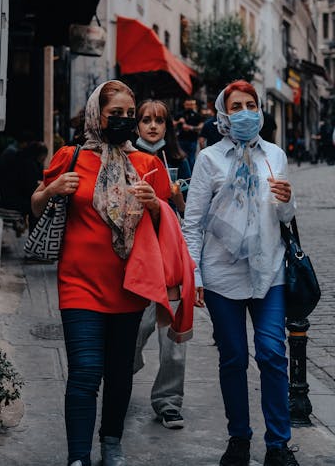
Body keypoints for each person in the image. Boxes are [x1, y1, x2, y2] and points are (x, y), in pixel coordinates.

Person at [30, 80, 195, 466]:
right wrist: (52, 189)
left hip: (128, 286)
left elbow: (165, 227)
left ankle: (112, 443)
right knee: (85, 371)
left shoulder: (147, 164)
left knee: (119, 373)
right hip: (79, 284)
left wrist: (157, 206)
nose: (122, 121)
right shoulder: (70, 157)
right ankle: (78, 456)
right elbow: (35, 208)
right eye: (114, 114)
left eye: (128, 115)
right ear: (95, 116)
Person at [183, 79, 300, 466]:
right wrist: (195, 275)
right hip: (222, 277)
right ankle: (239, 438)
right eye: (237, 106)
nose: (246, 112)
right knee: (233, 358)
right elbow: (193, 221)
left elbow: (284, 216)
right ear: (224, 114)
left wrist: (287, 202)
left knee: (271, 354)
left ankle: (278, 445)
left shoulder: (275, 155)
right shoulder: (209, 159)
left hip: (269, 272)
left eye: (251, 104)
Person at [133, 99, 191, 429]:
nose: (152, 126)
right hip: (138, 262)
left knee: (172, 339)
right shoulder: (126, 159)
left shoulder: (178, 161)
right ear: (137, 125)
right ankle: (121, 376)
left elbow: (189, 212)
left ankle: (169, 401)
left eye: (158, 121)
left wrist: (176, 195)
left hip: (168, 259)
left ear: (167, 127)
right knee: (135, 331)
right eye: (145, 120)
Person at [174, 98, 203, 170]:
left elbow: (201, 127)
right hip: (181, 140)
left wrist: (191, 128)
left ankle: (191, 177)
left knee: (191, 159)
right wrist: (179, 122)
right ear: (184, 105)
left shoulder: (197, 115)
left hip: (192, 140)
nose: (189, 106)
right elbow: (171, 124)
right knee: (181, 159)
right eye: (188, 104)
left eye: (191, 104)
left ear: (194, 105)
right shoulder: (179, 114)